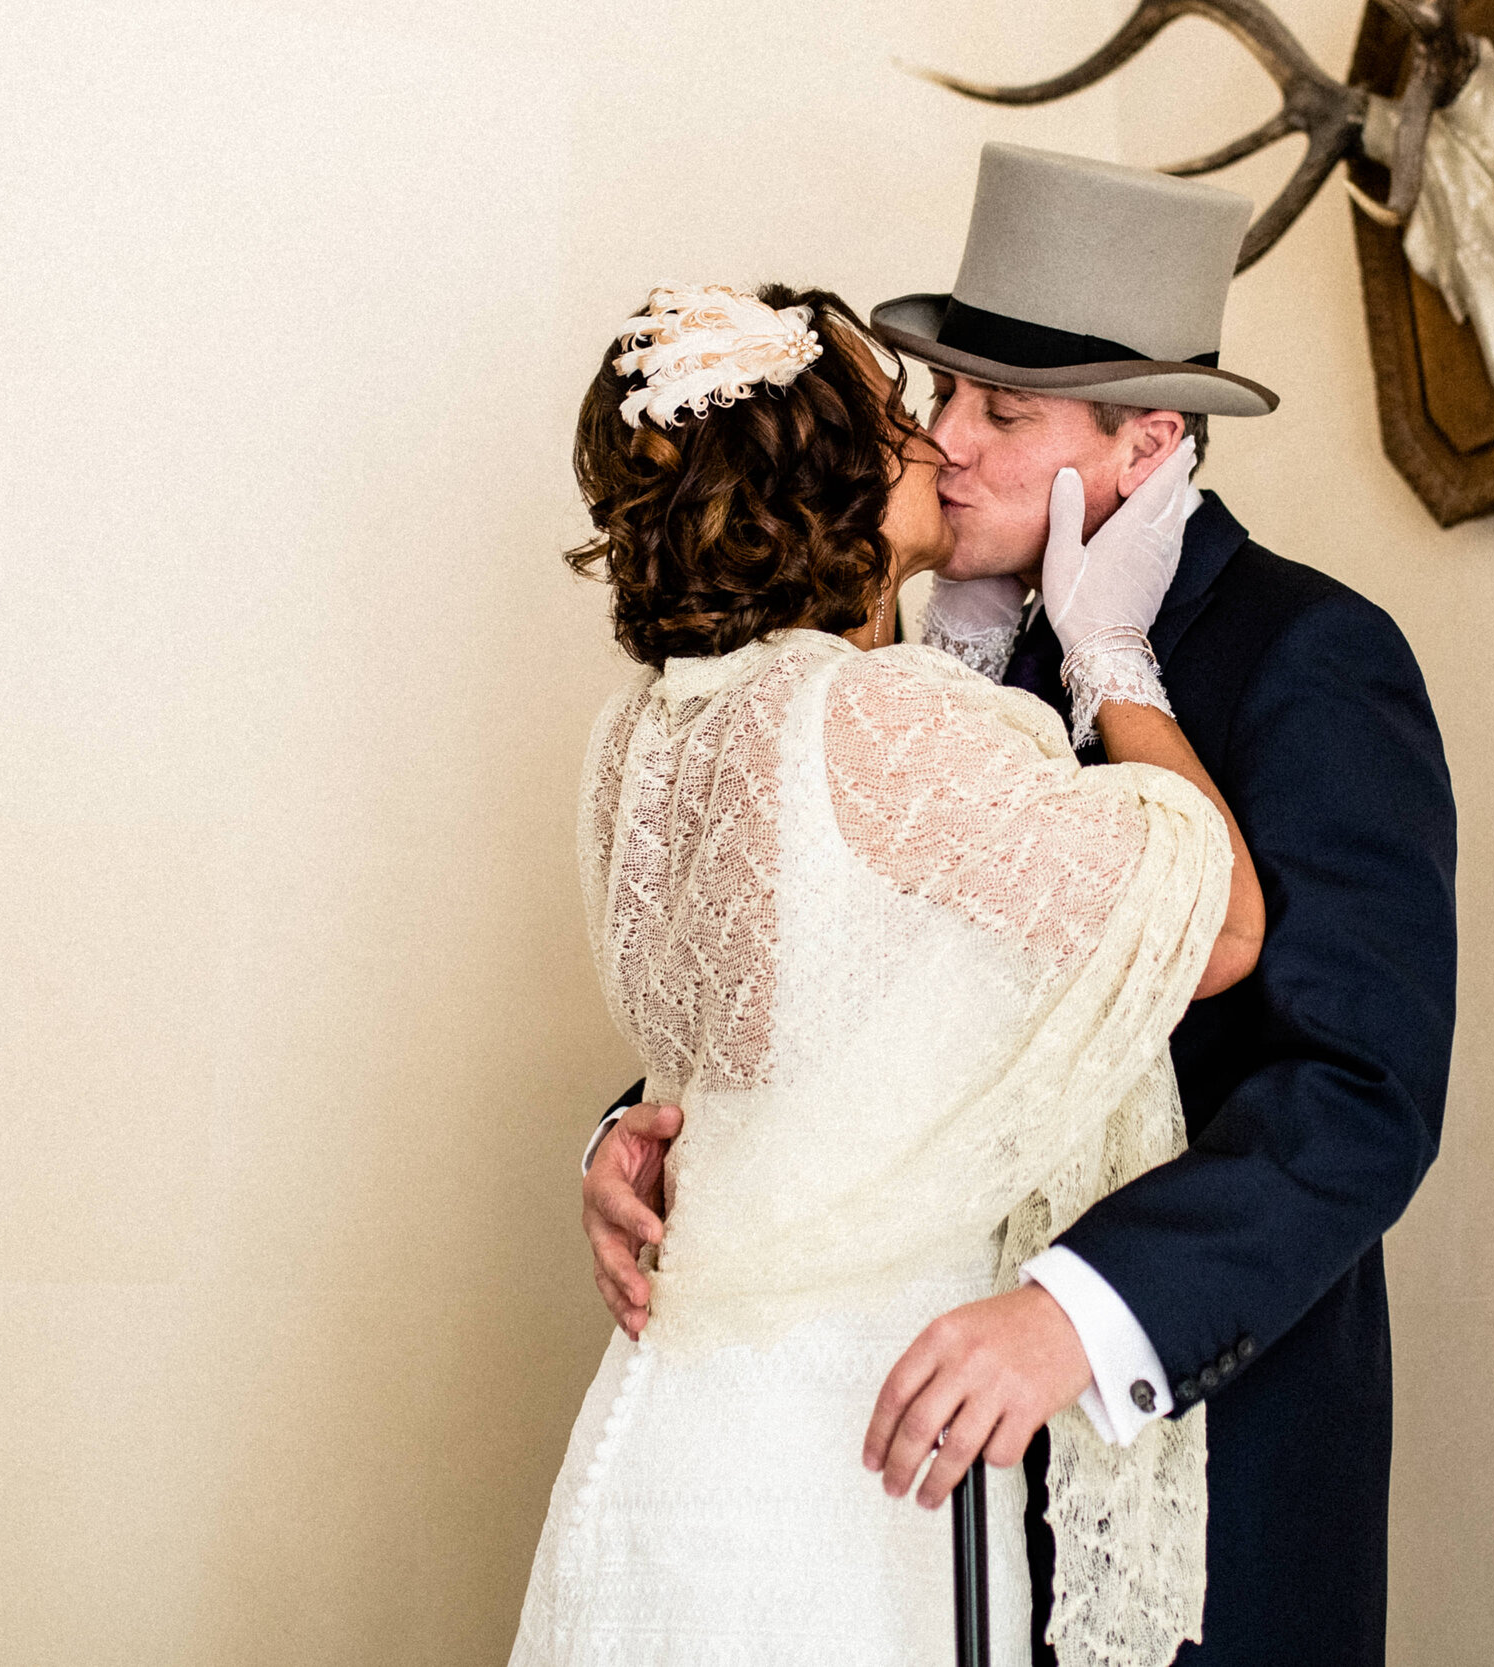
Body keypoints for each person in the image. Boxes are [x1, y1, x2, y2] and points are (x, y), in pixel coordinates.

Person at [586, 147, 1459, 1666]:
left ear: (1150, 444)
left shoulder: (1308, 651)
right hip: (894, 1490)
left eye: (1005, 410)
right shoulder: (889, 676)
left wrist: (1078, 1313)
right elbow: (857, 987)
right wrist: (644, 1132)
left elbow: (1360, 1089)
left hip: (1190, 1459)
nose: (947, 445)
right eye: (940, 399)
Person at [511, 276, 1267, 1667]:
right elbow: (1215, 925)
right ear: (834, 486)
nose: (937, 442)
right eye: (897, 416)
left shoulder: (636, 740)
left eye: (979, 408)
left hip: (668, 1413)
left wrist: (620, 1139)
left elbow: (785, 1021)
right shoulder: (878, 719)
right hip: (849, 1442)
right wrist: (1110, 654)